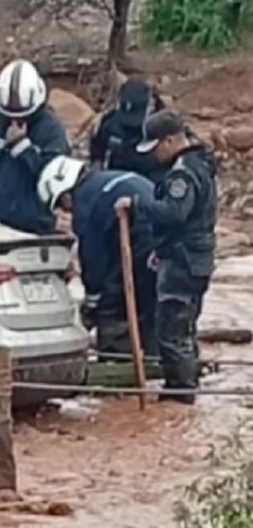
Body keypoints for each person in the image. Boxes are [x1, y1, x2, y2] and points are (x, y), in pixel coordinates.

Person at [115, 110, 218, 405]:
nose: (155, 155)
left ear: (171, 140)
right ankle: (186, 383)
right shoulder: (202, 164)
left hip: (183, 262)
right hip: (195, 257)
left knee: (172, 331)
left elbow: (175, 213)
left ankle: (180, 394)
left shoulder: (182, 173)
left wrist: (137, 204)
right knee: (186, 328)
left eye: (157, 147)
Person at [36, 156, 158, 359]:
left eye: (62, 205)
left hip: (142, 243)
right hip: (168, 243)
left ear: (66, 192)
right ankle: (161, 360)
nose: (67, 211)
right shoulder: (108, 180)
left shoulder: (87, 201)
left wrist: (93, 302)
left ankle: (118, 360)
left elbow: (94, 259)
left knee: (112, 306)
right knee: (155, 307)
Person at [0, 59, 71, 235]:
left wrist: (23, 149)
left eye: (23, 116)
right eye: (9, 115)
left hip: (30, 230)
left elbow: (56, 180)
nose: (15, 121)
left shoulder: (51, 131)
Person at [89, 79, 167, 183]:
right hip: (113, 179)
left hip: (146, 182)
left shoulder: (161, 129)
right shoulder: (109, 123)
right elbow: (97, 150)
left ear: (150, 105)